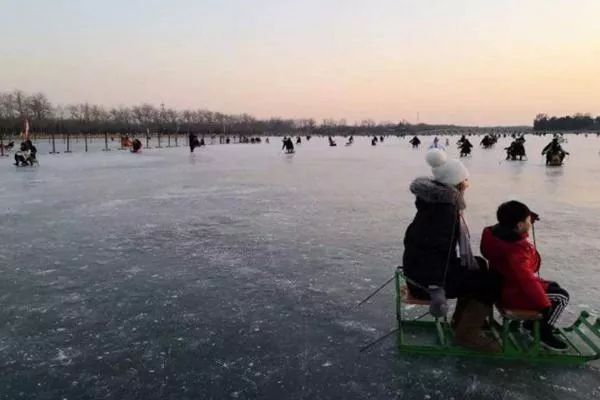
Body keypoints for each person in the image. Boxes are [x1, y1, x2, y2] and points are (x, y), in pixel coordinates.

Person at [403, 149, 501, 352]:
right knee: (490, 283)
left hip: (421, 268)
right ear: (456, 183)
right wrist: (436, 289)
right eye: (465, 181)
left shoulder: (436, 204)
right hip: (426, 279)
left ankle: (461, 322)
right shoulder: (444, 211)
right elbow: (438, 251)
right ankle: (467, 335)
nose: (467, 185)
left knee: (479, 265)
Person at [480, 201, 569, 351]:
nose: (530, 222)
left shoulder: (494, 234)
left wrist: (525, 218)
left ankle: (529, 326)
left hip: (506, 286)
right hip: (514, 294)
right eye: (528, 219)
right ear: (519, 225)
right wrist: (544, 305)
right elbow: (526, 280)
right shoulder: (517, 250)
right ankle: (543, 332)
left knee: (554, 287)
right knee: (561, 297)